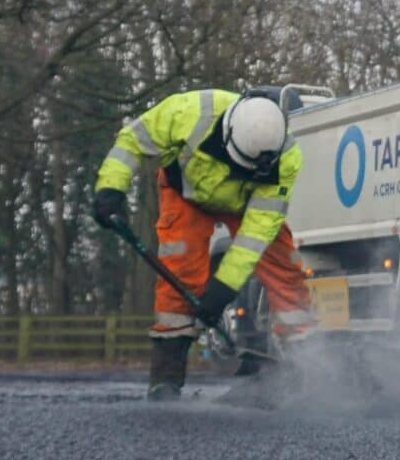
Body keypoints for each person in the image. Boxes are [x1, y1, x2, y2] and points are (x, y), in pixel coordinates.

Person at [91, 88, 315, 398]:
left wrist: (223, 289)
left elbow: (254, 237)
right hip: (186, 193)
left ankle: (309, 364)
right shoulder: (189, 113)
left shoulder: (286, 159)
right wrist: (110, 188)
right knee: (179, 268)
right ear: (226, 137)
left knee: (284, 268)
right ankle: (166, 380)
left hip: (246, 205)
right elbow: (131, 141)